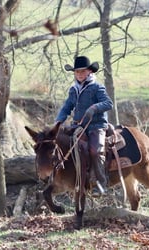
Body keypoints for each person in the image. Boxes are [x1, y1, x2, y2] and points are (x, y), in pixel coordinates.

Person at [55, 56, 113, 196]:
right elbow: (67, 107)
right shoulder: (73, 90)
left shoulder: (97, 87)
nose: (80, 74)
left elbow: (108, 103)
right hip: (78, 126)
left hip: (96, 125)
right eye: (77, 72)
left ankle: (101, 184)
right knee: (62, 146)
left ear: (89, 72)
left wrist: (94, 108)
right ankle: (72, 180)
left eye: (82, 71)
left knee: (95, 150)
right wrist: (58, 122)